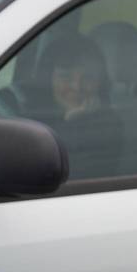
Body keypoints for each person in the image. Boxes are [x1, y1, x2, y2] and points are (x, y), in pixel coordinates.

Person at [26, 32, 124, 179]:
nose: (76, 86)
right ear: (47, 79)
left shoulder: (109, 124)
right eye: (65, 76)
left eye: (88, 78)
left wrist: (73, 123)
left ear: (101, 83)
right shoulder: (22, 115)